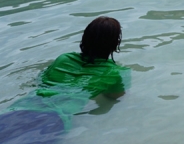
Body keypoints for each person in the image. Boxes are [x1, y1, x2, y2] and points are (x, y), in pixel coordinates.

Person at [0, 17, 130, 143]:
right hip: (53, 119)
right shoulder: (113, 72)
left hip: (21, 108)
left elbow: (41, 80)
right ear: (114, 44)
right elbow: (116, 97)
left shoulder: (63, 59)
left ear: (84, 38)